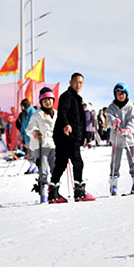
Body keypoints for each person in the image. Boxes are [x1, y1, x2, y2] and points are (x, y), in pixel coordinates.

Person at [48, 72, 95, 202]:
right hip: (68, 135)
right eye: (76, 82)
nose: (78, 84)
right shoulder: (67, 96)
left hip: (65, 137)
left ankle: (53, 194)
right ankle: (79, 192)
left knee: (61, 164)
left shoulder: (77, 98)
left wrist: (83, 137)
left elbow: (80, 120)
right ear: (70, 82)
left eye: (81, 82)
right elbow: (62, 111)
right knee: (78, 162)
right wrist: (66, 124)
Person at [106, 83, 134, 195]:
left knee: (132, 159)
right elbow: (109, 117)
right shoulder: (111, 107)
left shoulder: (131, 107)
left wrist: (128, 129)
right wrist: (114, 122)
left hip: (129, 139)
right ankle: (113, 183)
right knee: (115, 161)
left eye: (122, 93)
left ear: (126, 94)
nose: (120, 96)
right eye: (118, 94)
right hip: (117, 139)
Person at [26, 87, 57, 200]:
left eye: (50, 99)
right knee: (43, 169)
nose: (48, 102)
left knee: (56, 169)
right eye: (45, 100)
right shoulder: (37, 115)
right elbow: (30, 127)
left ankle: (54, 191)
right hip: (41, 145)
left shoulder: (57, 114)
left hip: (54, 146)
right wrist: (35, 132)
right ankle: (43, 189)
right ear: (41, 102)